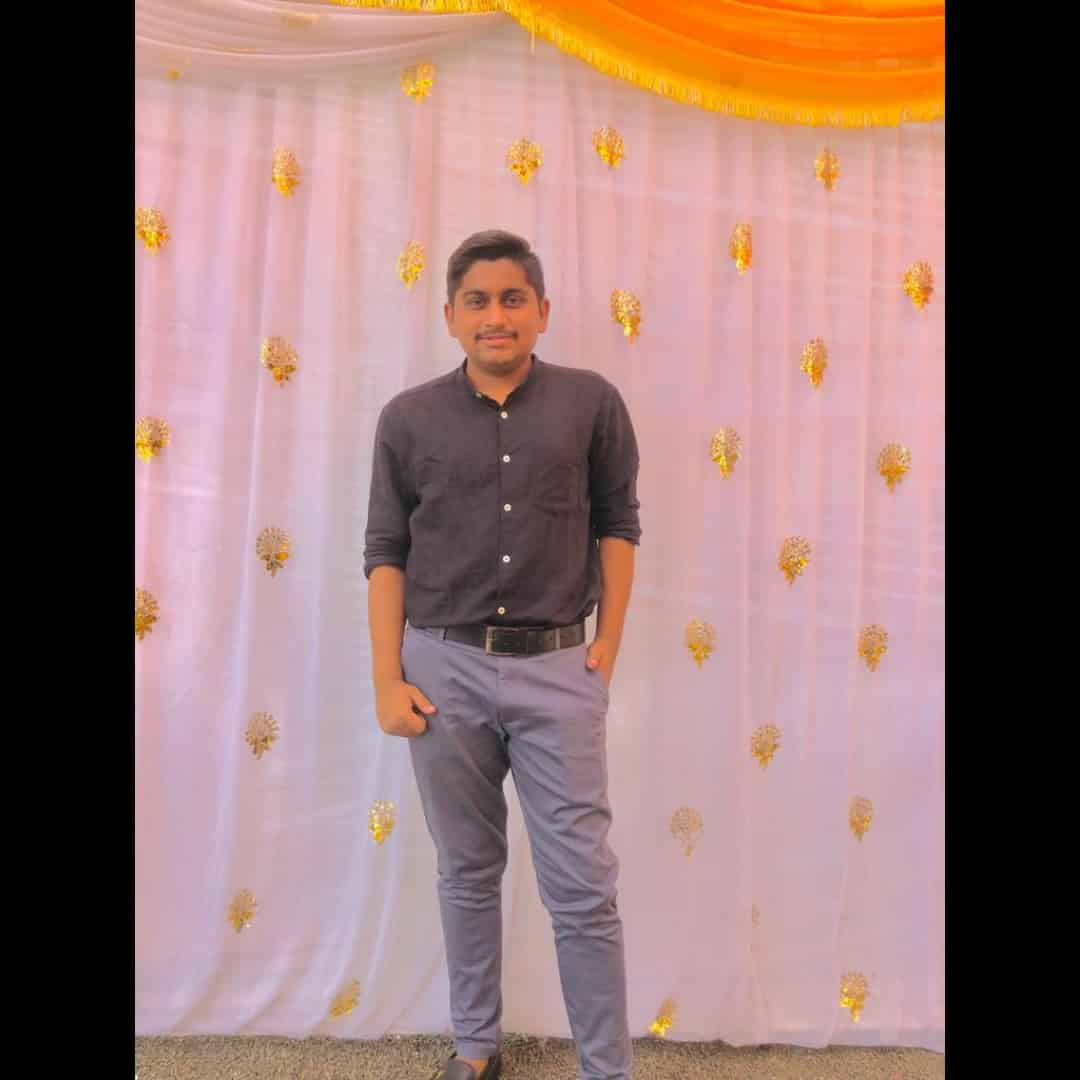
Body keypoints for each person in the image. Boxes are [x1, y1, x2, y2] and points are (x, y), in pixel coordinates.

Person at [364, 229, 641, 1080]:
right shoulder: (407, 419)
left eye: (513, 298)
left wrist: (607, 644)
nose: (496, 315)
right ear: (450, 315)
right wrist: (386, 679)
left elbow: (617, 524)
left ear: (542, 311)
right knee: (466, 870)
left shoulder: (592, 404)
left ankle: (607, 1068)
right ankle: (476, 1049)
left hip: (559, 670)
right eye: (477, 300)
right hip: (440, 672)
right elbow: (385, 550)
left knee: (583, 887)